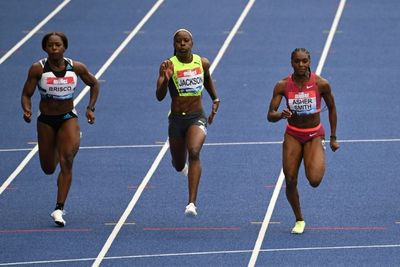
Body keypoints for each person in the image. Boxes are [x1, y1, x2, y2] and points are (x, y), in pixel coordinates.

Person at [21, 32, 99, 226]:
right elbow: (26, 94)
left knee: (67, 160)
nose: (54, 48)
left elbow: (94, 83)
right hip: (46, 120)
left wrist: (90, 108)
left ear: (64, 47)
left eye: (57, 45)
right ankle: (59, 145)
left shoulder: (76, 67)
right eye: (50, 45)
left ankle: (59, 208)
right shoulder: (37, 69)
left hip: (67, 118)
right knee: (48, 168)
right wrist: (27, 109)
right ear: (45, 48)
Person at [267, 48, 339, 234]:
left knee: (314, 180)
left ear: (309, 62)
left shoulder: (321, 84)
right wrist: (280, 115)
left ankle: (317, 151)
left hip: (314, 134)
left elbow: (332, 108)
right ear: (291, 62)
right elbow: (270, 115)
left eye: (304, 61)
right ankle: (299, 220)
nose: (301, 65)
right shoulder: (282, 85)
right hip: (293, 134)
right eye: (297, 61)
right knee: (290, 180)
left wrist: (333, 137)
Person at [156, 28, 220, 217]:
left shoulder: (202, 62)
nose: (182, 44)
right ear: (174, 45)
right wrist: (164, 80)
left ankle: (191, 203)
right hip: (176, 120)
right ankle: (181, 166)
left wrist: (215, 99)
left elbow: (207, 79)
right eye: (178, 41)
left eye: (186, 41)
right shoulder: (169, 65)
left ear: (192, 43)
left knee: (194, 151)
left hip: (196, 117)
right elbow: (159, 97)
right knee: (177, 164)